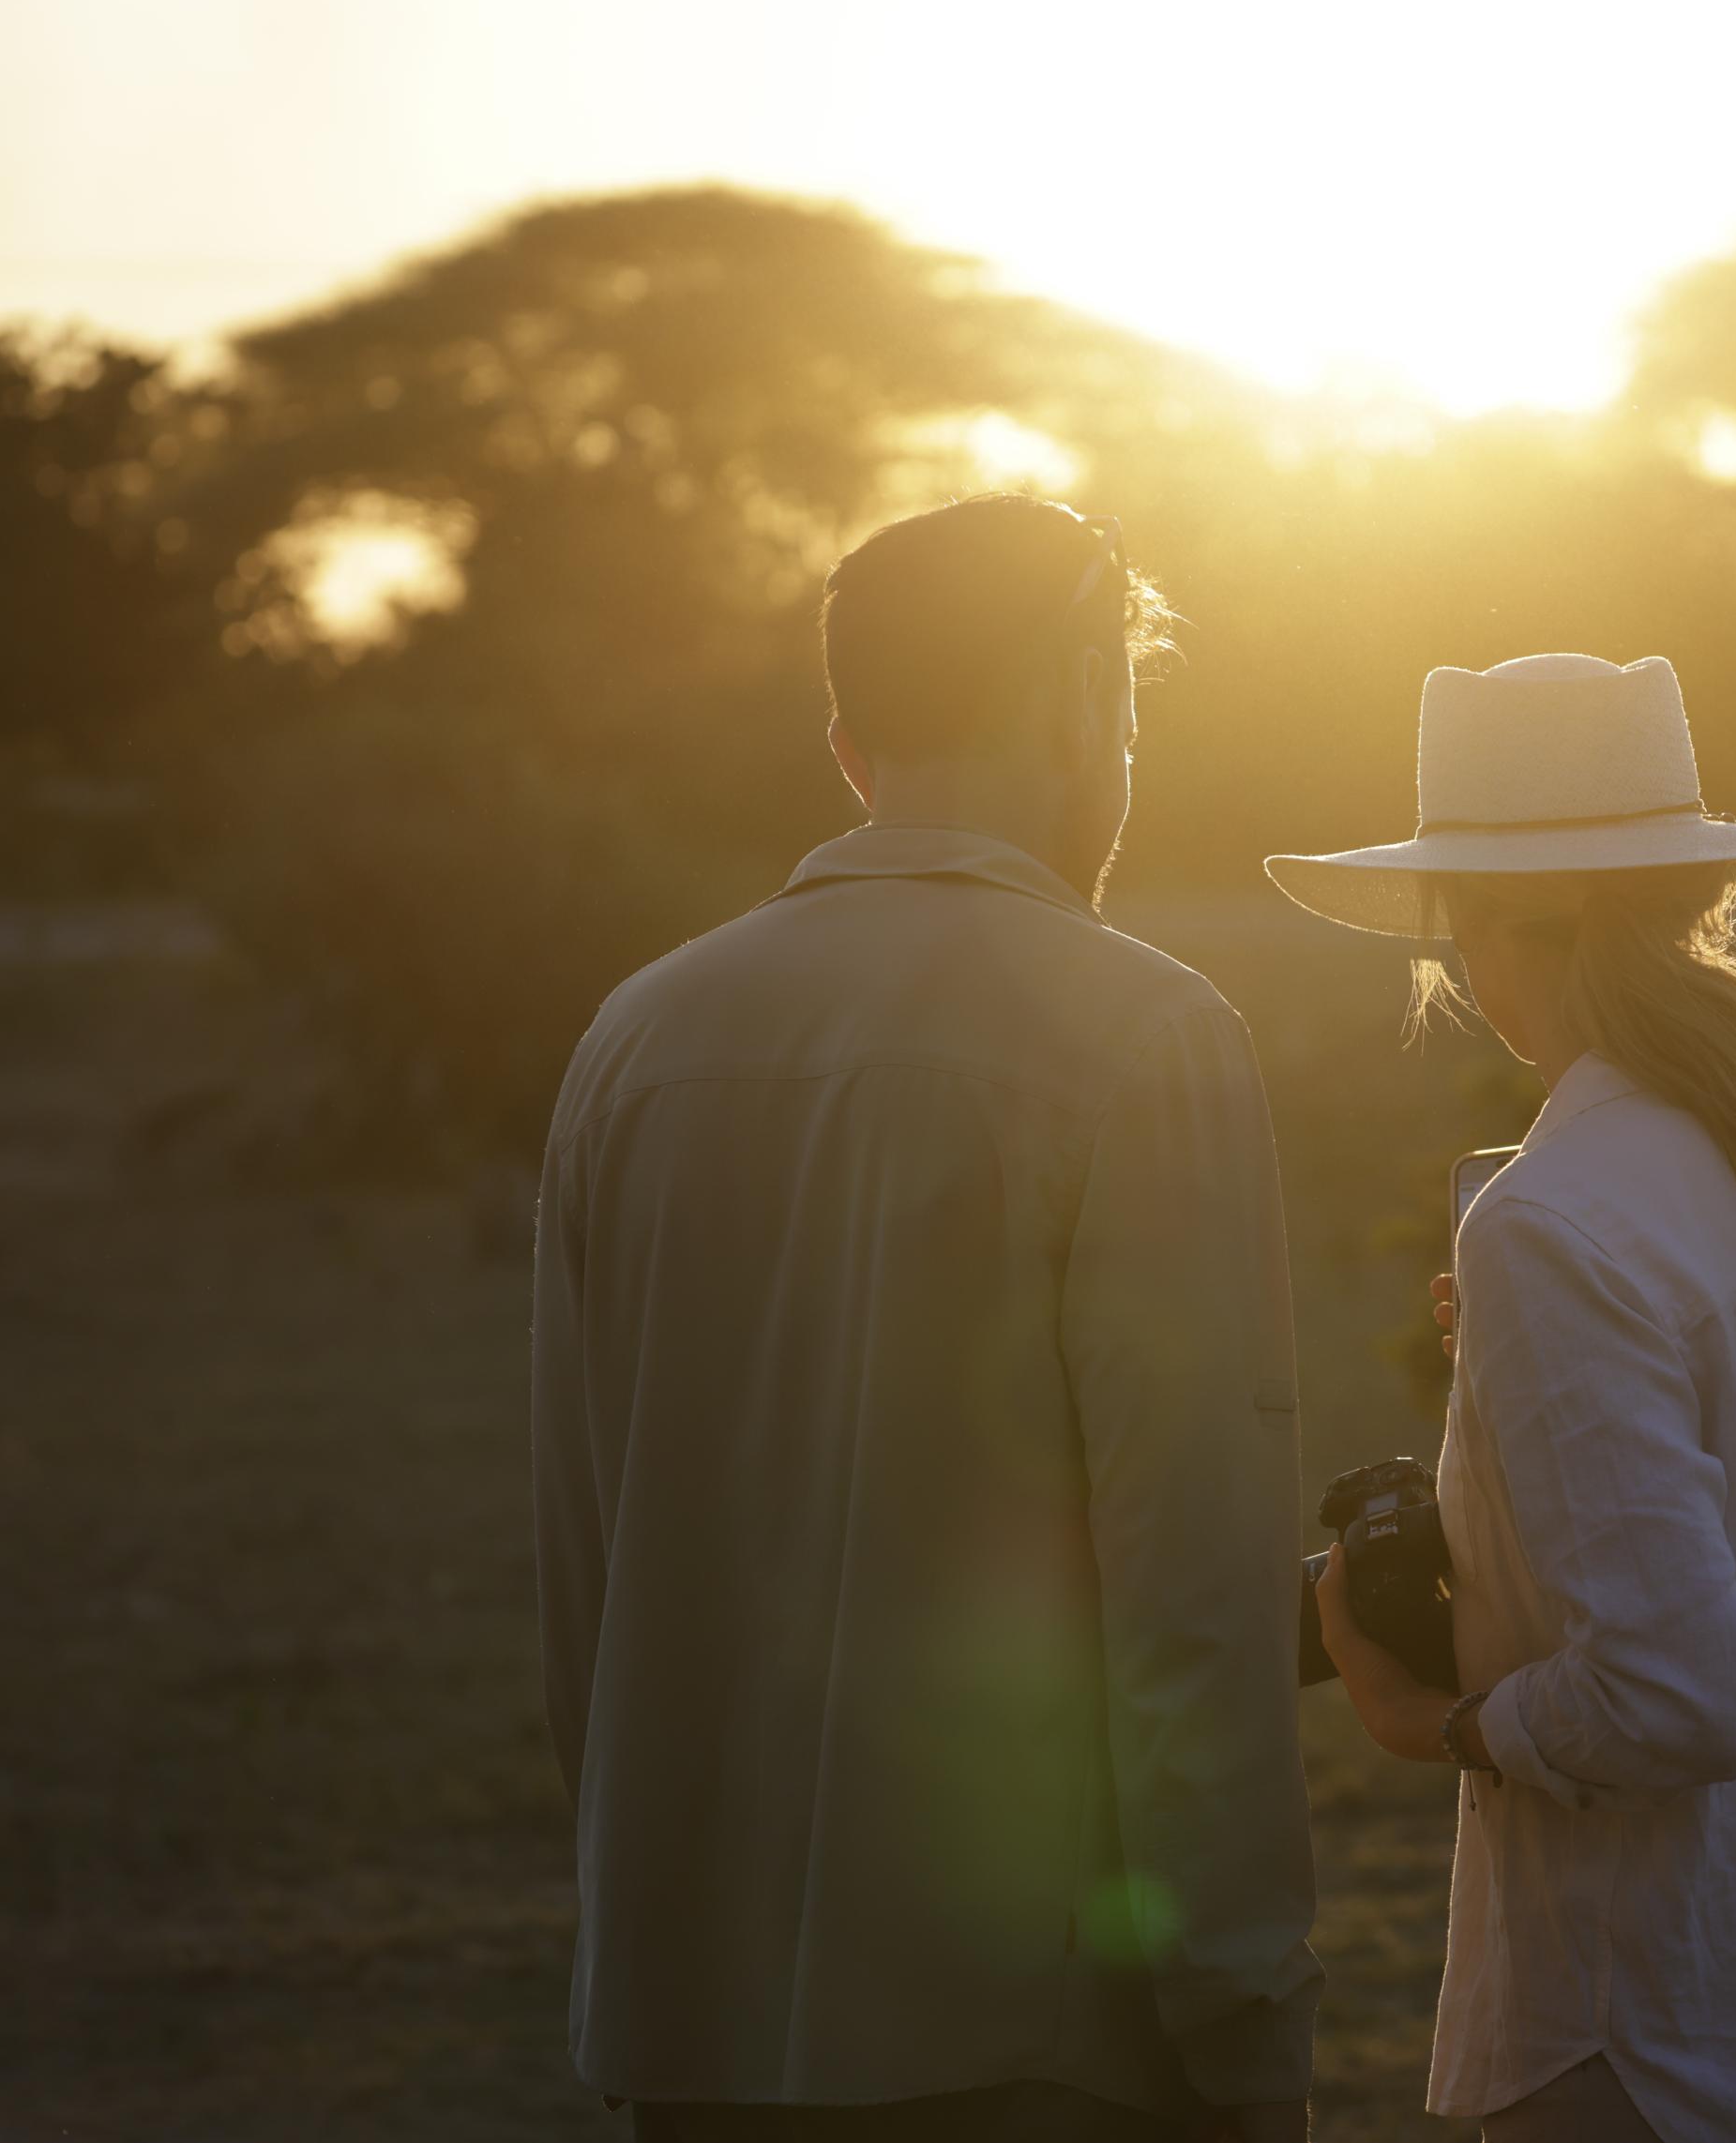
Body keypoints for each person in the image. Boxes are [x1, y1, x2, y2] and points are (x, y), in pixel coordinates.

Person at [531, 497, 1318, 2143]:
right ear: (1078, 704)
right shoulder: (1149, 1038)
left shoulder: (635, 1036)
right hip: (1042, 2048)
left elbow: (587, 1569)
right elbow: (1189, 1599)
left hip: (698, 2033)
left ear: (849, 745)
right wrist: (1244, 2015)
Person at [1270, 653, 1736, 2143]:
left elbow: (1676, 1693)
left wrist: (1436, 1717)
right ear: (1696, 899)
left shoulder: (1554, 1217)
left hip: (1649, 2038)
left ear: (1489, 922)